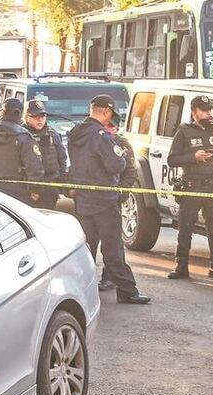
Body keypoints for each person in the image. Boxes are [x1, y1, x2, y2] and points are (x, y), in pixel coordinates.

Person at [67, 95, 150, 305]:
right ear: (105, 112)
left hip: (84, 200)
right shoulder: (102, 136)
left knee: (87, 248)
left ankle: (79, 290)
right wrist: (120, 159)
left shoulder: (76, 134)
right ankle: (127, 290)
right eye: (110, 115)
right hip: (104, 199)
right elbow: (116, 165)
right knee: (113, 247)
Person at [166, 95, 213, 281]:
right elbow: (172, 159)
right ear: (194, 112)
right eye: (204, 110)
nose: (208, 113)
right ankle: (181, 265)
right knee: (185, 229)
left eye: (210, 110)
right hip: (192, 187)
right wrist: (193, 157)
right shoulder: (184, 132)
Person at [98, 104, 138, 291]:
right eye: (108, 127)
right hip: (95, 198)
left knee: (113, 242)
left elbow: (130, 172)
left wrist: (121, 192)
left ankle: (110, 276)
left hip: (114, 198)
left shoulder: (123, 144)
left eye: (113, 127)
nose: (110, 130)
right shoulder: (96, 141)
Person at [0, 98, 43, 205]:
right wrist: (35, 189)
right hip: (20, 188)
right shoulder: (23, 135)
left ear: (2, 111)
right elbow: (33, 165)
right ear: (19, 113)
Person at [24, 99, 68, 210]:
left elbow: (62, 158)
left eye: (42, 116)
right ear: (27, 117)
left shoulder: (53, 134)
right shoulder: (22, 135)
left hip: (50, 185)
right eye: (35, 117)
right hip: (27, 187)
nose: (40, 120)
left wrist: (60, 180)